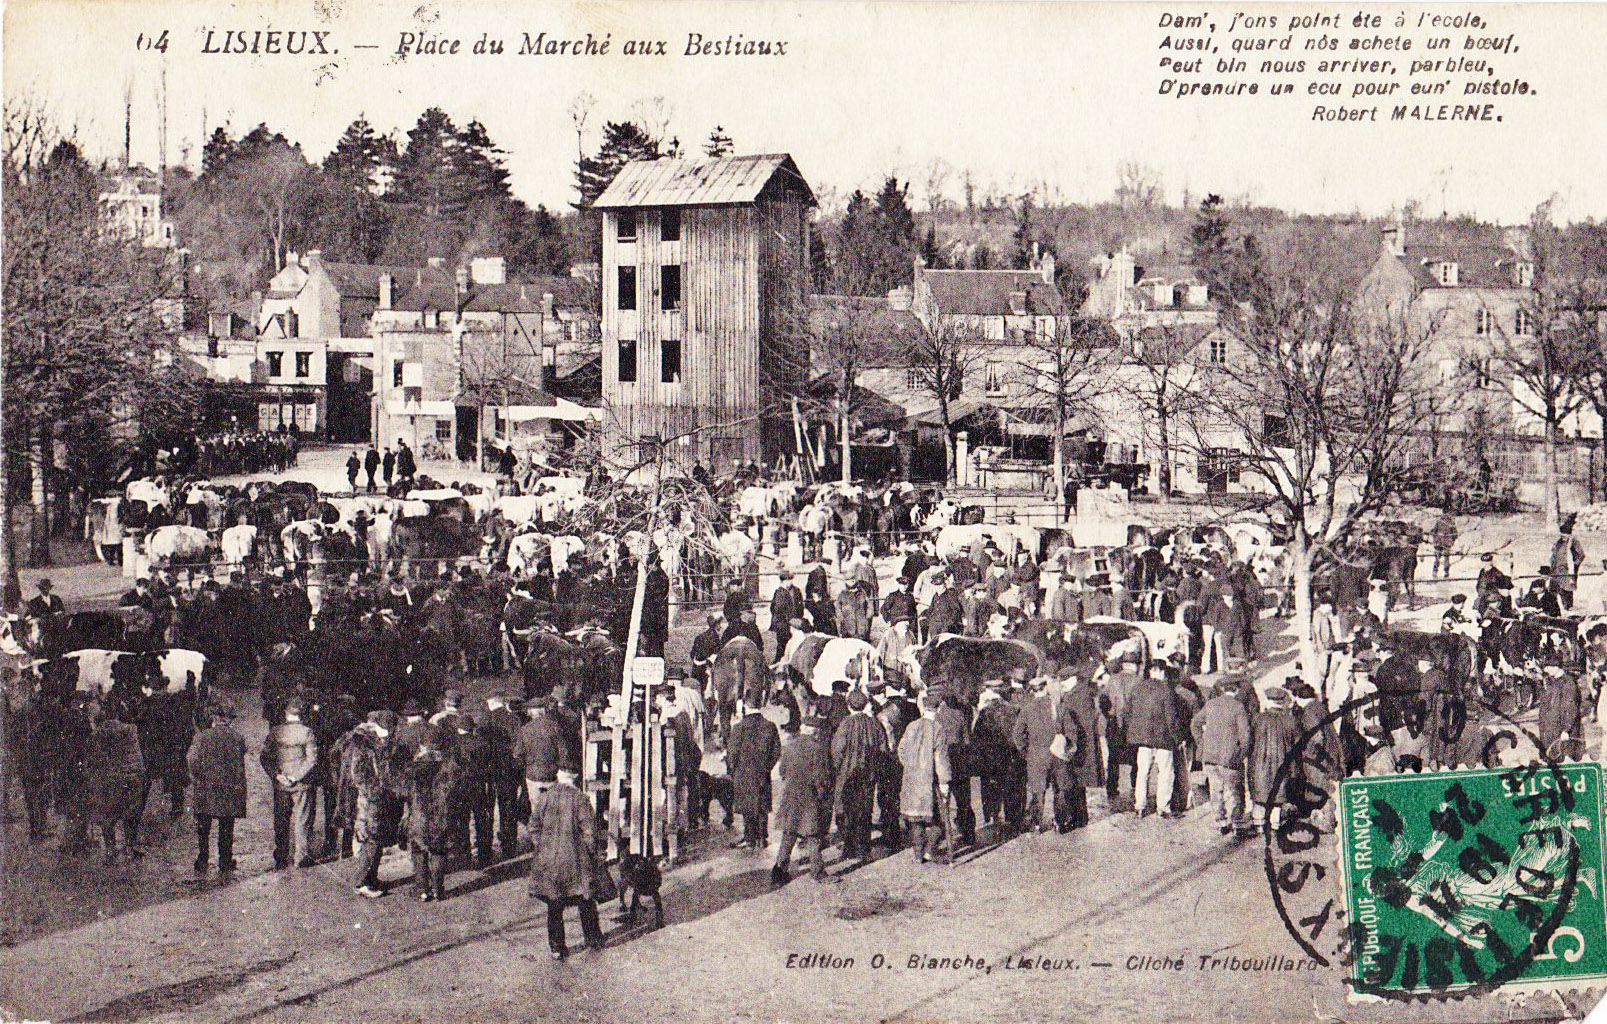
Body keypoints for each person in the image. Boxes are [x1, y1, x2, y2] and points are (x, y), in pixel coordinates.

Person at [528, 764, 605, 959]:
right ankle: (592, 939)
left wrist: (542, 847)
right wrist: (590, 853)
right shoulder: (580, 798)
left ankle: (557, 948)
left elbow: (533, 827)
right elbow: (589, 831)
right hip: (575, 859)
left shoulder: (545, 798)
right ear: (574, 779)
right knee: (585, 900)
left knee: (554, 905)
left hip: (549, 861)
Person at [336, 711, 401, 898]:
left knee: (377, 838)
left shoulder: (381, 741)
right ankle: (362, 882)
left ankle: (372, 878)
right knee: (370, 838)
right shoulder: (363, 744)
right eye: (386, 729)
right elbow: (358, 776)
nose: (389, 733)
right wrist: (375, 792)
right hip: (366, 801)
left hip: (379, 798)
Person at [772, 716, 835, 885]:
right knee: (813, 836)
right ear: (816, 732)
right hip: (809, 798)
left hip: (791, 796)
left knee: (789, 833)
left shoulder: (790, 746)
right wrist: (823, 794)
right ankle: (818, 873)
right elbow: (821, 778)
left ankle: (779, 871)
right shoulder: (818, 749)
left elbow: (782, 771)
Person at [187, 701, 247, 872]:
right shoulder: (237, 737)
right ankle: (225, 860)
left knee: (203, 826)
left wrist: (197, 776)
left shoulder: (203, 737)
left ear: (214, 718)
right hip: (229, 787)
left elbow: (191, 759)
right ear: (230, 719)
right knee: (226, 826)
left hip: (207, 787)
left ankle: (202, 858)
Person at [404, 724, 461, 902]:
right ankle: (438, 890)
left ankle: (423, 889)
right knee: (439, 851)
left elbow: (403, 791)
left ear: (423, 745)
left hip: (419, 816)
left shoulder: (414, 768)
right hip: (441, 816)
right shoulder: (450, 767)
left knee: (418, 851)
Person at [261, 698, 320, 869]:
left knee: (281, 821)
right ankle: (301, 857)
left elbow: (265, 758)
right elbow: (312, 760)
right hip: (302, 784)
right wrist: (296, 776)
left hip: (281, 784)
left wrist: (277, 775)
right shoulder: (307, 733)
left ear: (286, 713)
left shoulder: (275, 732)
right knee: (302, 821)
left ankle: (281, 857)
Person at [831, 690, 888, 861]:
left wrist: (836, 769)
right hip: (868, 774)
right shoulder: (874, 723)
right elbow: (883, 748)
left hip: (847, 774)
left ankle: (849, 848)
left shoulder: (845, 724)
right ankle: (864, 848)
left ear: (849, 705)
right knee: (865, 809)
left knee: (847, 809)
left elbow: (837, 750)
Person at [85, 702, 146, 862]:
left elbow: (92, 759)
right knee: (130, 814)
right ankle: (131, 846)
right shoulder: (130, 730)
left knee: (107, 817)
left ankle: (110, 850)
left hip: (108, 780)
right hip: (130, 778)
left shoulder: (96, 734)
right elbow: (137, 757)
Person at [898, 692, 952, 864]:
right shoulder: (938, 729)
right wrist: (944, 782)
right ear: (938, 709)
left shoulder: (912, 726)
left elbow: (901, 750)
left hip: (912, 779)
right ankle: (930, 850)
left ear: (923, 708)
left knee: (915, 819)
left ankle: (918, 853)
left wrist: (910, 766)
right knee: (938, 817)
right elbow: (941, 759)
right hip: (930, 780)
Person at [1192, 678, 1252, 835]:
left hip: (1210, 756)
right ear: (1236, 690)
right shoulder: (1238, 707)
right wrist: (1242, 754)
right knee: (1234, 791)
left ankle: (1220, 821)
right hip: (1230, 757)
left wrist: (1201, 743)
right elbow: (1245, 735)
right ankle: (1236, 822)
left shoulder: (1211, 704)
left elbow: (1195, 723)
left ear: (1223, 690)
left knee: (1215, 789)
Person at [1127, 663, 1186, 818]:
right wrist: (1178, 738)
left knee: (1142, 772)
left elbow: (1128, 712)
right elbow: (1171, 718)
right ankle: (1163, 808)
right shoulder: (1166, 690)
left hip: (1143, 740)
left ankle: (1140, 806)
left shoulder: (1138, 688)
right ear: (1161, 671)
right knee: (1165, 772)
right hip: (1163, 739)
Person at [1248, 686, 1303, 837]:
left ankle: (1259, 823)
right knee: (1279, 794)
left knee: (1260, 794)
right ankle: (1275, 824)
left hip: (1259, 762)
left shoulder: (1258, 719)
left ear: (1268, 701)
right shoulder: (1290, 720)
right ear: (1282, 702)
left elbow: (1249, 740)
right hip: (1282, 761)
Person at [727, 699, 780, 850]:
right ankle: (762, 838)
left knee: (748, 806)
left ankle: (750, 839)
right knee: (762, 804)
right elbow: (776, 751)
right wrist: (767, 767)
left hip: (744, 773)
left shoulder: (739, 727)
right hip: (762, 773)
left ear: (746, 707)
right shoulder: (770, 726)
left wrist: (733, 770)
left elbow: (732, 753)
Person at [1552, 516, 1586, 611]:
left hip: (1568, 571)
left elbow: (1581, 555)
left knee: (1567, 590)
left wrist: (1574, 565)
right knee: (1556, 590)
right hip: (1557, 571)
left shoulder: (1574, 542)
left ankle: (1568, 608)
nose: (1563, 537)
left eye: (1565, 536)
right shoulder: (1558, 542)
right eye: (1561, 535)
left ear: (1569, 535)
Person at [1431, 512, 1457, 579]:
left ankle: (1435, 572)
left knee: (1437, 557)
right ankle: (1446, 572)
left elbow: (1433, 532)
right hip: (1446, 543)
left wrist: (1435, 539)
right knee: (1446, 558)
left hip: (1439, 542)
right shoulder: (1451, 522)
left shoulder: (1439, 521)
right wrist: (1452, 541)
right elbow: (1455, 534)